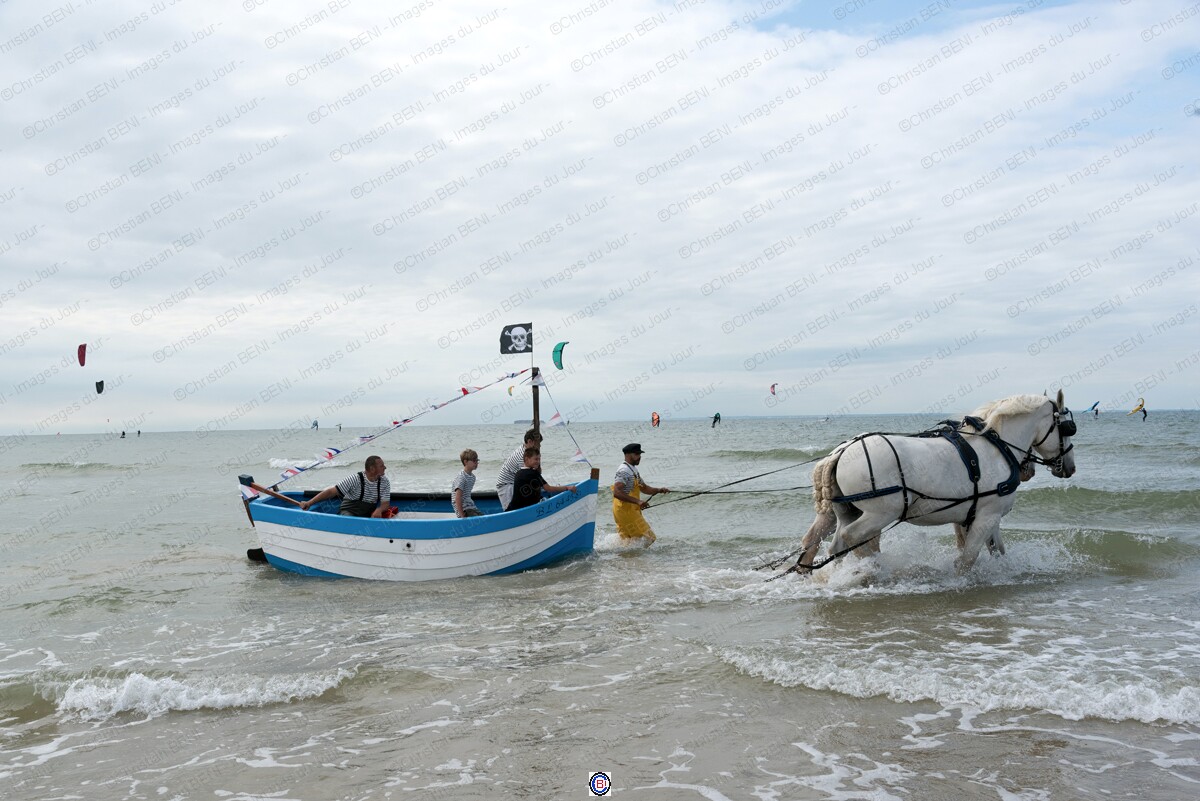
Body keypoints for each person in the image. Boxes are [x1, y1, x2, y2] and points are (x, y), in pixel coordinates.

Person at [611, 443, 669, 545]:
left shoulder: (633, 469)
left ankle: (625, 555)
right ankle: (636, 555)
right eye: (637, 454)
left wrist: (659, 490)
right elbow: (617, 492)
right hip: (626, 510)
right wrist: (638, 501)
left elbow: (644, 488)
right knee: (649, 538)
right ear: (628, 454)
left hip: (626, 510)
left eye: (640, 454)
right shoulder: (624, 470)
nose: (639, 456)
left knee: (627, 541)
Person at [299, 455, 390, 517]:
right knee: (350, 520)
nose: (385, 467)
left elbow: (385, 504)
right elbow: (331, 492)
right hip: (349, 512)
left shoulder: (384, 481)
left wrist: (379, 510)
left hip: (367, 515)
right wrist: (309, 503)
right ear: (372, 469)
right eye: (382, 466)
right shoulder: (355, 479)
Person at [507, 447, 577, 511]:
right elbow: (549, 489)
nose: (538, 462)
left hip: (513, 508)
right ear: (527, 459)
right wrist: (567, 488)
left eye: (539, 459)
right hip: (525, 510)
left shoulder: (518, 473)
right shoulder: (533, 473)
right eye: (536, 459)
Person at [497, 428, 542, 510]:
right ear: (529, 441)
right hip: (506, 485)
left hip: (512, 482)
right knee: (511, 511)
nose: (539, 446)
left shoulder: (526, 451)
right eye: (538, 444)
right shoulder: (523, 456)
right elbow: (528, 476)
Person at [452, 449, 483, 517]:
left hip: (471, 506)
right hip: (464, 509)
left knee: (484, 518)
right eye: (474, 461)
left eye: (477, 460)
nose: (476, 463)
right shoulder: (461, 477)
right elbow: (457, 498)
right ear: (465, 462)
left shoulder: (472, 477)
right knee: (479, 520)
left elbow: (467, 495)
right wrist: (462, 515)